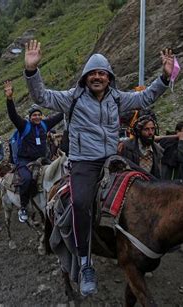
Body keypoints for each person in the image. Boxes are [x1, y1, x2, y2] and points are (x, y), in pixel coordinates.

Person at [23, 39, 173, 296]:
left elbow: (145, 97)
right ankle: (85, 263)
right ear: (85, 77)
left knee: (149, 183)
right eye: (92, 73)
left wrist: (165, 77)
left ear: (109, 77)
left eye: (102, 73)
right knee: (80, 203)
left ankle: (155, 240)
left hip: (112, 160)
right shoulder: (72, 98)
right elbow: (41, 96)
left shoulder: (118, 98)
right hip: (84, 162)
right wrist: (31, 71)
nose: (97, 77)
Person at [4, 80, 63, 223]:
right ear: (30, 117)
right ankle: (23, 207)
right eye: (34, 115)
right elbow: (13, 115)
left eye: (39, 115)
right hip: (25, 161)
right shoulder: (24, 126)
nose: (36, 117)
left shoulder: (44, 124)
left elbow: (60, 115)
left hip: (43, 160)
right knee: (27, 179)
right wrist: (9, 99)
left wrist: (70, 103)